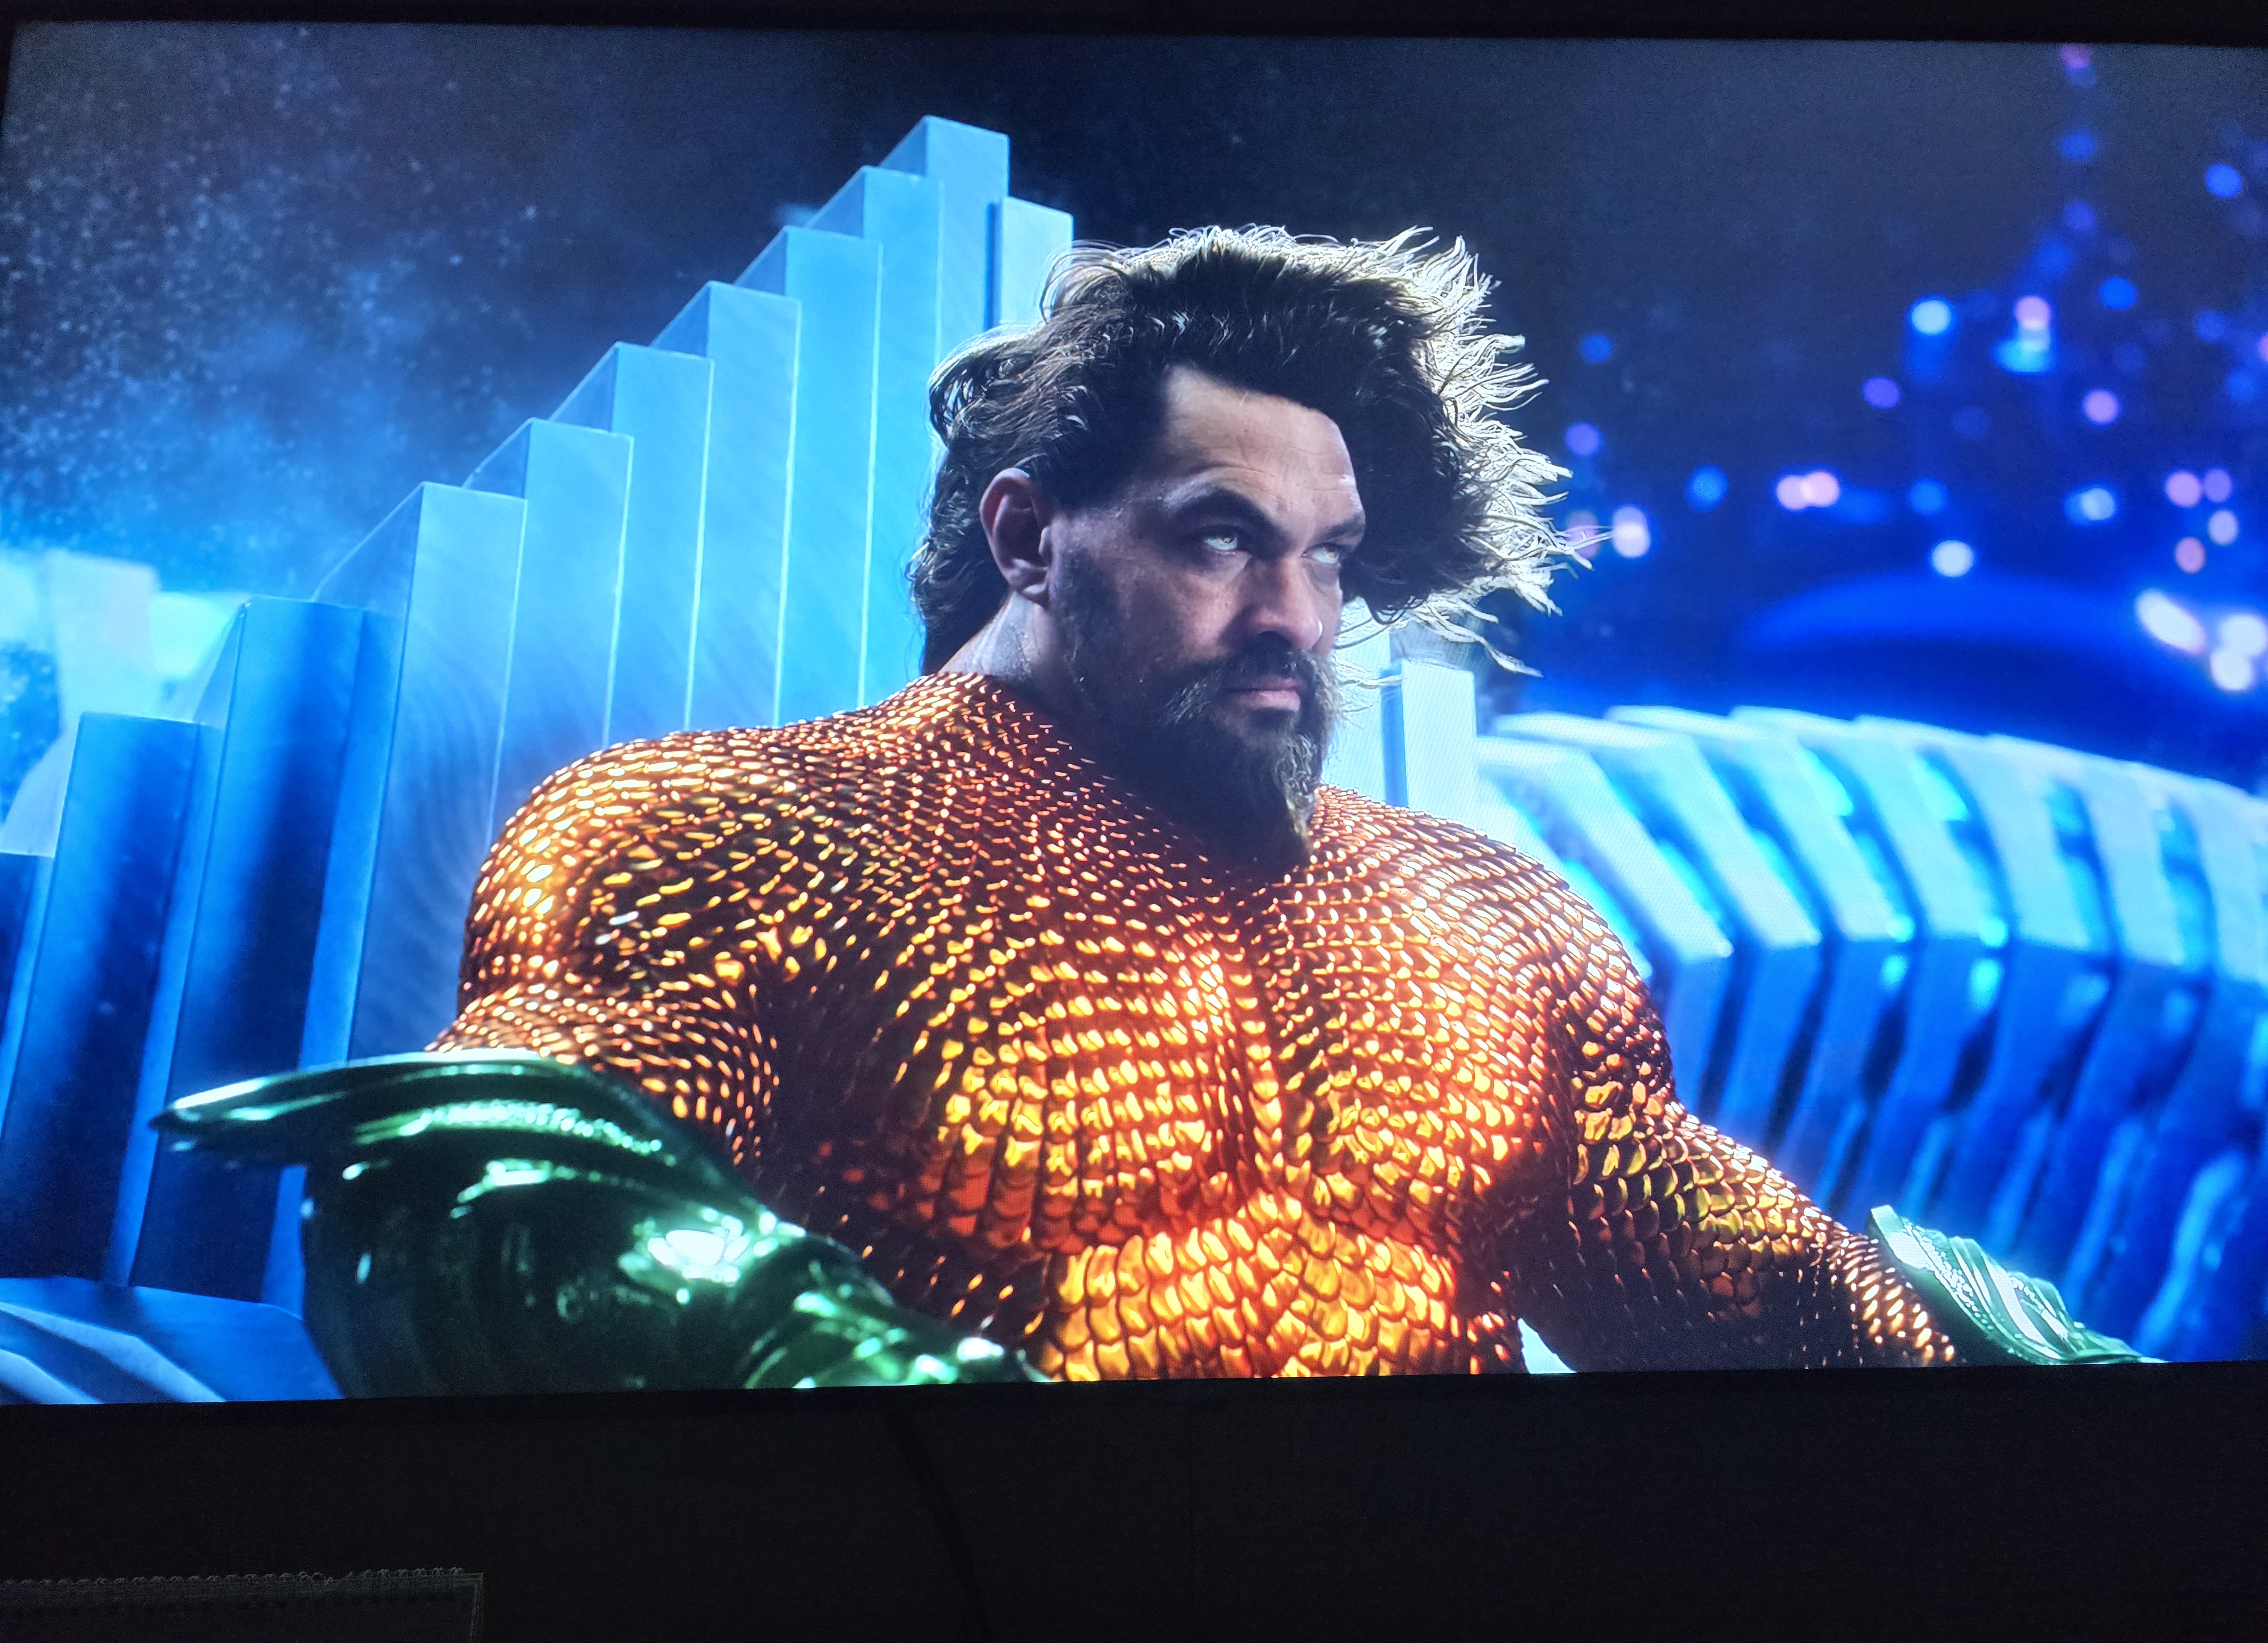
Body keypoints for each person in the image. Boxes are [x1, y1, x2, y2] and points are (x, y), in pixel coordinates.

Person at [167, 227, 2138, 1387]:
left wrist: (2036, 1398)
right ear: (1031, 535)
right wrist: (851, 1384)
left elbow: (1722, 1275)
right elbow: (503, 1195)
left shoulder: (1489, 921)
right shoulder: (737, 834)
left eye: (1330, 559)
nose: (1298, 618)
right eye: (1220, 539)